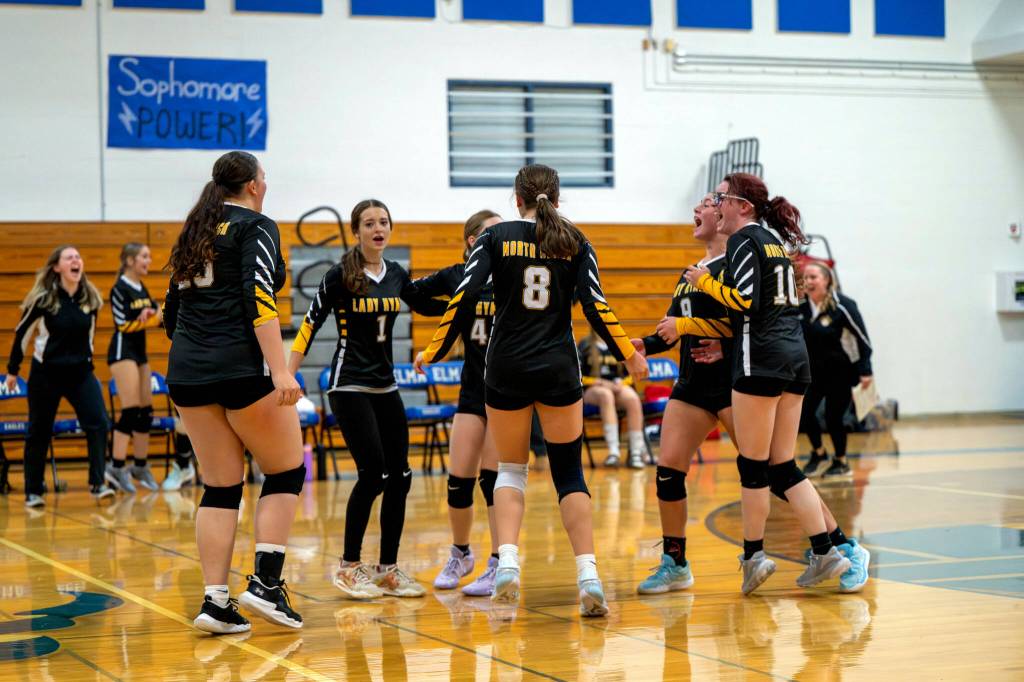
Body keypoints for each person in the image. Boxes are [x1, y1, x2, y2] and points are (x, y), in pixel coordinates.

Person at [416, 164, 649, 617]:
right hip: (558, 368)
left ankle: (509, 566)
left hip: (504, 367)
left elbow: (463, 297)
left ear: (515, 196)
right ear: (557, 198)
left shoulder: (495, 237)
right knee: (569, 475)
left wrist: (436, 347)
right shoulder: (575, 241)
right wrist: (630, 356)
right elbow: (597, 306)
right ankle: (589, 575)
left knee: (510, 469)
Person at [684, 173, 864, 594]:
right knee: (782, 465)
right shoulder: (774, 244)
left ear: (743, 206)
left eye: (721, 197)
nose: (716, 203)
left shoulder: (746, 240)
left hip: (761, 359)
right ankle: (825, 551)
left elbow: (746, 300)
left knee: (753, 465)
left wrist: (704, 281)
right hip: (794, 359)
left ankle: (753, 555)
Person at [164, 150, 305, 634]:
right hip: (240, 368)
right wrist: (280, 369)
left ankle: (216, 601)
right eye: (264, 177)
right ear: (252, 186)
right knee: (287, 470)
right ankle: (266, 583)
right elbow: (258, 295)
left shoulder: (195, 227)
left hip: (186, 371)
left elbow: (170, 313)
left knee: (221, 486)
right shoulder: (256, 225)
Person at [288, 199, 447, 601]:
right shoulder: (340, 275)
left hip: (385, 385)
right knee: (372, 473)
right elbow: (310, 324)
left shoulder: (396, 274)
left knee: (401, 476)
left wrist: (467, 301)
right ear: (357, 232)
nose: (379, 228)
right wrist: (287, 373)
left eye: (384, 222)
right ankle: (347, 566)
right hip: (349, 385)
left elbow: (425, 305)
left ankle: (388, 569)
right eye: (370, 223)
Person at [631, 194, 737, 594]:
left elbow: (744, 324)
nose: (697, 210)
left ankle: (831, 543)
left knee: (774, 471)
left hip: (732, 385)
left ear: (725, 213)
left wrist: (700, 331)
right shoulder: (690, 271)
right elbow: (671, 328)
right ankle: (675, 563)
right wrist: (640, 344)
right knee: (668, 471)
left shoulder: (737, 266)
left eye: (707, 203)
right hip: (692, 386)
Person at [410, 210, 505, 596]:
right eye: (491, 232)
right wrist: (451, 307)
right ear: (472, 241)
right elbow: (415, 294)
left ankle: (500, 561)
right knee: (457, 480)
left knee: (494, 480)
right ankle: (461, 553)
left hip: (506, 389)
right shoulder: (459, 276)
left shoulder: (514, 273)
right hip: (471, 387)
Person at [6, 245, 114, 507]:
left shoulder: (90, 300)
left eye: (78, 256)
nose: (76, 260)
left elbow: (89, 336)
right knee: (38, 431)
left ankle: (98, 483)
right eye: (69, 257)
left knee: (99, 422)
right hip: (46, 374)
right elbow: (22, 334)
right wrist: (12, 370)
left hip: (80, 373)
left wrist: (87, 361)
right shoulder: (43, 300)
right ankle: (33, 490)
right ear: (57, 267)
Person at [799, 262, 873, 478]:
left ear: (827, 280)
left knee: (833, 418)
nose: (809, 282)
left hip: (840, 373)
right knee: (804, 413)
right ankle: (818, 453)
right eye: (806, 278)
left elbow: (863, 340)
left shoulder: (843, 306)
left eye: (814, 277)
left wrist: (865, 370)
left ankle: (841, 461)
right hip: (811, 373)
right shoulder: (800, 308)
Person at [104, 242, 163, 493]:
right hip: (121, 351)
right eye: (144, 257)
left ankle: (139, 465)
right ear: (129, 261)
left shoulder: (142, 287)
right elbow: (123, 325)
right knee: (130, 411)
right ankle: (116, 466)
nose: (148, 261)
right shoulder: (120, 289)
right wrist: (153, 316)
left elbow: (156, 317)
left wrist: (153, 314)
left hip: (139, 351)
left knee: (146, 412)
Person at [578, 332, 646, 469]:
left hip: (616, 386)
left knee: (633, 398)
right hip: (592, 389)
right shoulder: (585, 345)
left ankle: (636, 453)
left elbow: (631, 374)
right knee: (605, 395)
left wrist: (622, 383)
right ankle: (613, 452)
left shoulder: (619, 344)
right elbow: (578, 375)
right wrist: (599, 382)